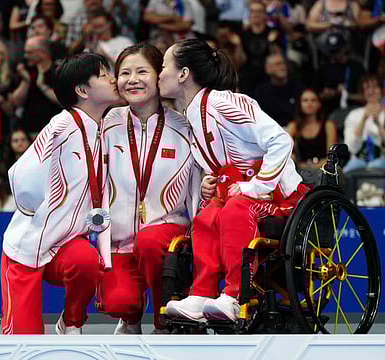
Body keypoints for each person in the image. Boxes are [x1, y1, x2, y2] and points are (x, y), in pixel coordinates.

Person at [158, 38, 308, 322]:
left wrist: (257, 185)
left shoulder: (226, 102)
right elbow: (221, 166)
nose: (159, 72)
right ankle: (201, 294)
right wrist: (209, 183)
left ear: (183, 74)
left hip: (278, 198)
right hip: (235, 195)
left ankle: (234, 295)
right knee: (206, 217)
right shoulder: (191, 115)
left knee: (233, 212)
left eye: (164, 65)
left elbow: (280, 140)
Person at [0, 52, 121, 335]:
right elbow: (20, 174)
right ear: (82, 90)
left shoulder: (102, 127)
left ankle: (71, 321)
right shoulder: (62, 125)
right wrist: (38, 214)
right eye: (104, 75)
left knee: (87, 261)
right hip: (27, 249)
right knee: (24, 343)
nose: (113, 79)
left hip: (66, 245)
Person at [95, 43, 201, 334]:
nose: (133, 79)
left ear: (159, 76)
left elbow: (194, 188)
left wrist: (198, 235)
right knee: (118, 301)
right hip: (120, 242)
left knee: (151, 241)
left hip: (165, 236)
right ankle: (129, 316)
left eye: (142, 71)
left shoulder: (184, 128)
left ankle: (163, 321)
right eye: (125, 73)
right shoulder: (107, 124)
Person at [342, 74, 385, 173]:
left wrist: (378, 124)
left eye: (374, 87)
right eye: (367, 88)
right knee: (344, 175)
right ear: (363, 92)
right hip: (357, 161)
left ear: (382, 90)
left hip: (382, 160)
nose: (371, 91)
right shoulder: (353, 115)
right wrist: (363, 119)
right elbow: (351, 148)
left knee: (376, 165)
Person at [288, 88, 337, 169]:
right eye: (305, 100)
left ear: (319, 104)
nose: (309, 104)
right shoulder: (294, 126)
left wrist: (314, 166)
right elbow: (287, 152)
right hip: (299, 171)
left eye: (313, 100)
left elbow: (331, 157)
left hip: (323, 170)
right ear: (300, 105)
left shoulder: (328, 125)